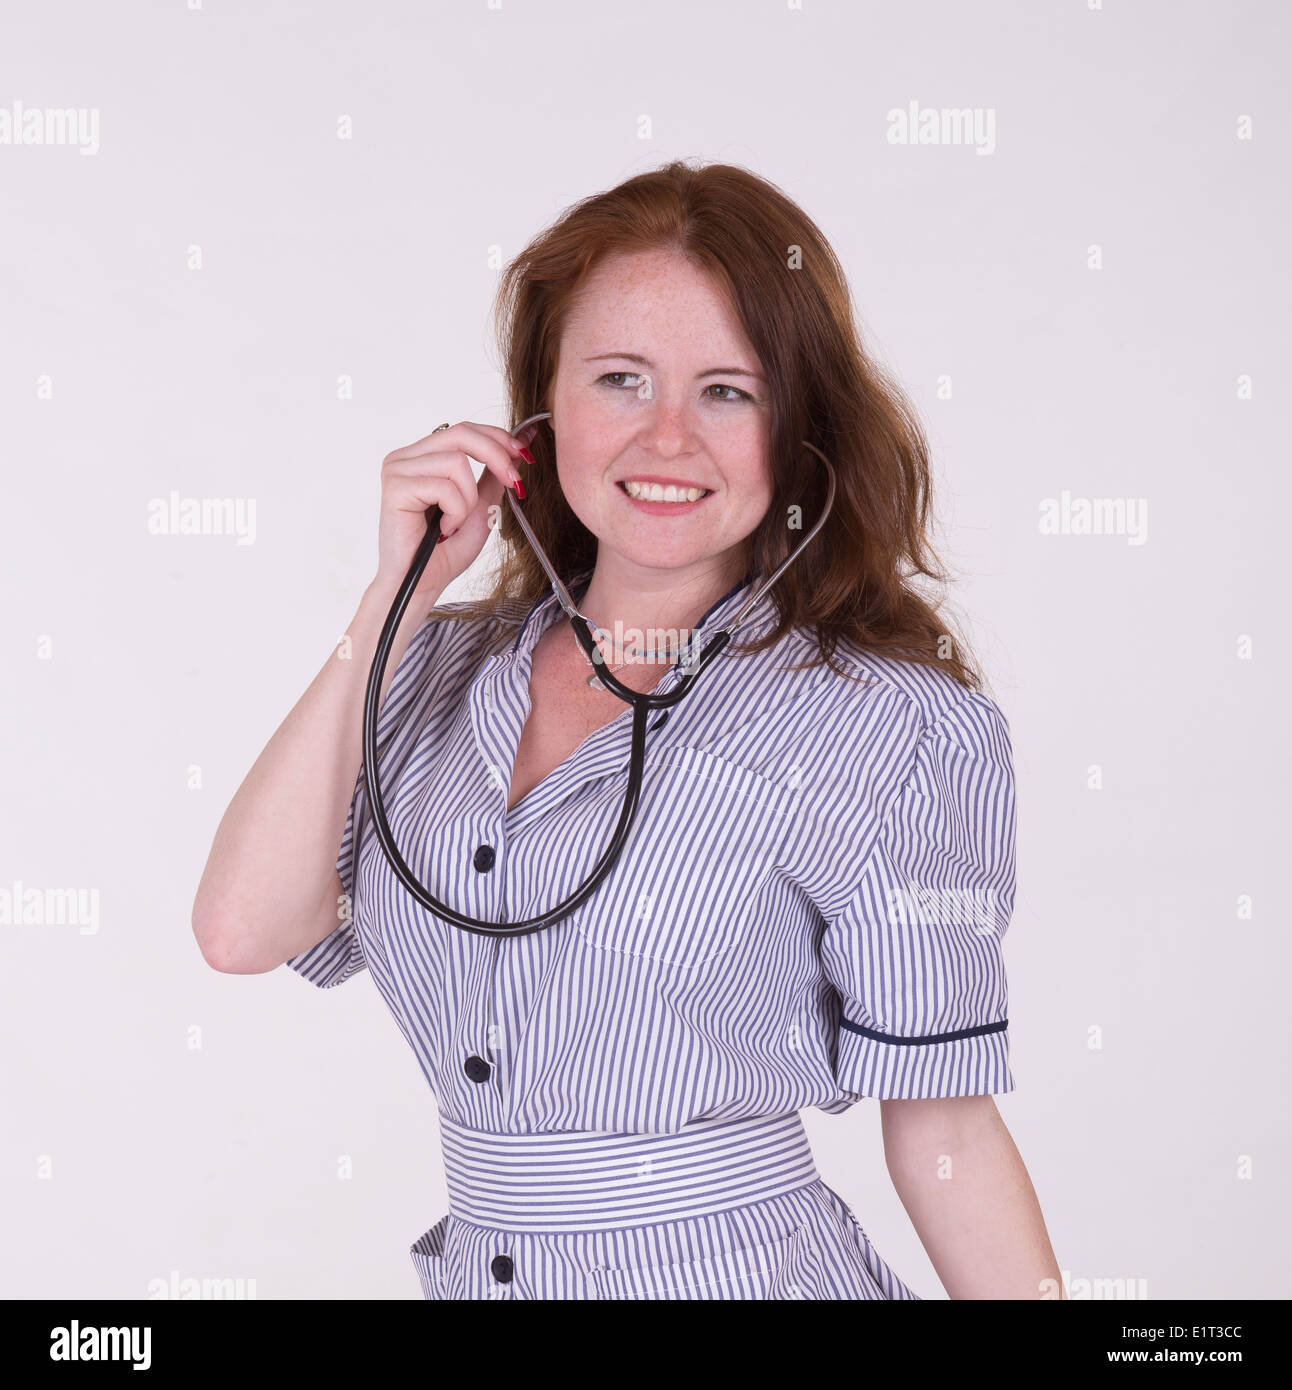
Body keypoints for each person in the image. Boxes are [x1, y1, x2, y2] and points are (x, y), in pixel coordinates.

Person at [192, 159, 1061, 1300]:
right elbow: (241, 928)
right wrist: (389, 599)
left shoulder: (888, 728)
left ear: (798, 430)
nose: (665, 439)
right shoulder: (434, 670)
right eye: (618, 380)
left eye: (727, 391)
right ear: (538, 418)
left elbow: (941, 1128)